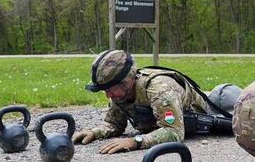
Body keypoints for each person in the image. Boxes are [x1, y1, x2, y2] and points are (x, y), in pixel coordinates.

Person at [73, 50, 230, 154]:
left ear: (127, 82)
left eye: (110, 89)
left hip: (214, 106)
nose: (108, 95)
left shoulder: (159, 89)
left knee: (237, 103)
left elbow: (174, 132)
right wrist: (94, 132)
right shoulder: (120, 94)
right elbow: (114, 124)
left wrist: (135, 141)